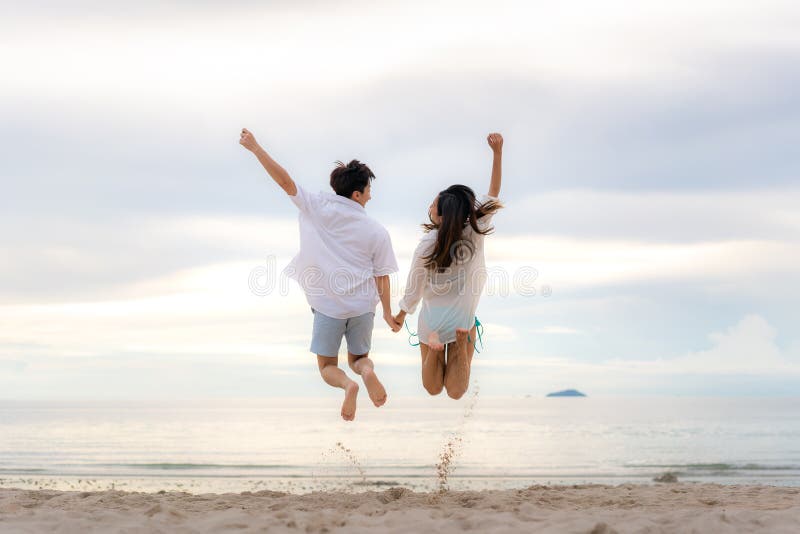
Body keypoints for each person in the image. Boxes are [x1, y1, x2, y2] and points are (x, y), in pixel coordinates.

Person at [239, 128, 401, 421]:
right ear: (357, 194)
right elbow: (383, 276)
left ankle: (348, 386)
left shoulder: (316, 205)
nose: (371, 194)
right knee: (359, 358)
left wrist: (256, 149)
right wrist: (389, 315)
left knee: (327, 366)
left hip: (328, 307)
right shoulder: (376, 230)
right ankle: (364, 373)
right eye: (368, 189)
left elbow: (284, 180)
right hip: (362, 307)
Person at [394, 133, 504, 399]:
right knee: (456, 391)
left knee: (432, 388)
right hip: (462, 320)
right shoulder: (475, 232)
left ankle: (435, 350)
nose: (430, 206)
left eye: (433, 204)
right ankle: (456, 347)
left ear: (440, 215)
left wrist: (400, 316)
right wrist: (498, 153)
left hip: (431, 322)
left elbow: (414, 286)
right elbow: (493, 193)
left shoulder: (427, 245)